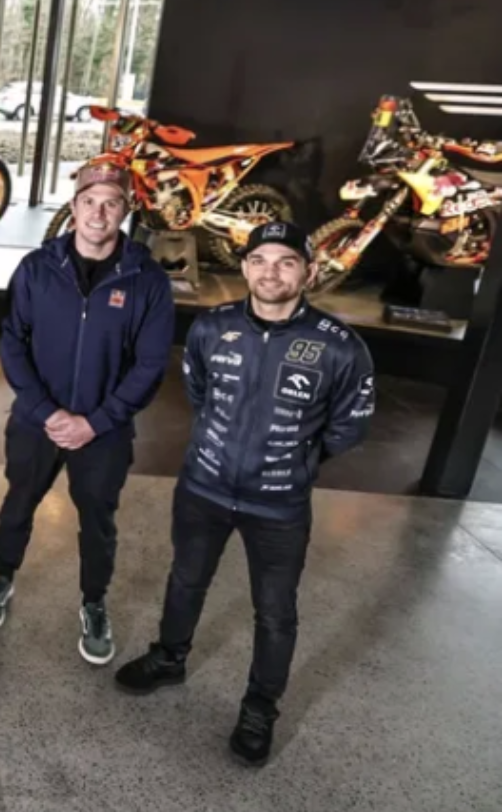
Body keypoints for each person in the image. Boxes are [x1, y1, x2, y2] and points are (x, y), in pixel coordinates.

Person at [114, 220, 375, 768]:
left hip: (278, 504)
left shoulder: (339, 347)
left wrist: (298, 459)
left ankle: (260, 706)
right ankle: (169, 657)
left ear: (308, 270)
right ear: (246, 267)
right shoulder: (213, 327)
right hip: (203, 487)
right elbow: (199, 392)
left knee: (275, 612)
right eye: (260, 261)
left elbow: (349, 425)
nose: (271, 272)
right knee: (186, 580)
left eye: (285, 261)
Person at [0, 160, 175, 666]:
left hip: (104, 431)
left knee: (99, 521)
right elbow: (13, 342)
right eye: (90, 201)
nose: (98, 213)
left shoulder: (147, 280)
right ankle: (2, 576)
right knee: (18, 503)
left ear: (125, 210)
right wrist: (45, 411)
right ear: (74, 205)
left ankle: (93, 601)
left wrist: (96, 422)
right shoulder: (38, 268)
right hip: (37, 422)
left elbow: (150, 365)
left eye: (111, 203)